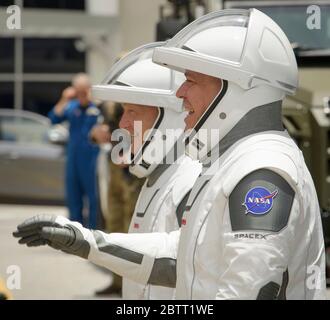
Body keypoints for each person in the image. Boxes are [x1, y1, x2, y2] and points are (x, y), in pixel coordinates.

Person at [14, 9, 326, 299]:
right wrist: (83, 240)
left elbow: (247, 290)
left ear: (233, 88)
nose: (179, 93)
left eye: (191, 80)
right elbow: (187, 256)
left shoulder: (261, 171)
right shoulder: (235, 163)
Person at [14, 43, 201, 300]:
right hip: (109, 168)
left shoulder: (188, 182)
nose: (123, 123)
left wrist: (87, 242)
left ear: (166, 118)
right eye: (123, 111)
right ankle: (115, 281)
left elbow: (176, 258)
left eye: (132, 111)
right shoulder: (159, 179)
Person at [91, 102, 145, 295]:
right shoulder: (107, 104)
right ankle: (117, 281)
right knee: (114, 224)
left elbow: (152, 128)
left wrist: (136, 154)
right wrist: (97, 133)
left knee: (131, 226)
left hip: (133, 170)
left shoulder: (135, 97)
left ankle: (130, 284)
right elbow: (101, 130)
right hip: (114, 166)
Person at [48, 73, 100, 229]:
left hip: (91, 159)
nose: (81, 95)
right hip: (73, 158)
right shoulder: (71, 107)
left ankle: (93, 230)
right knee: (73, 196)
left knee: (93, 198)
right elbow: (53, 118)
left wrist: (93, 99)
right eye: (78, 92)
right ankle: (74, 231)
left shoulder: (96, 108)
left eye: (84, 91)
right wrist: (65, 98)